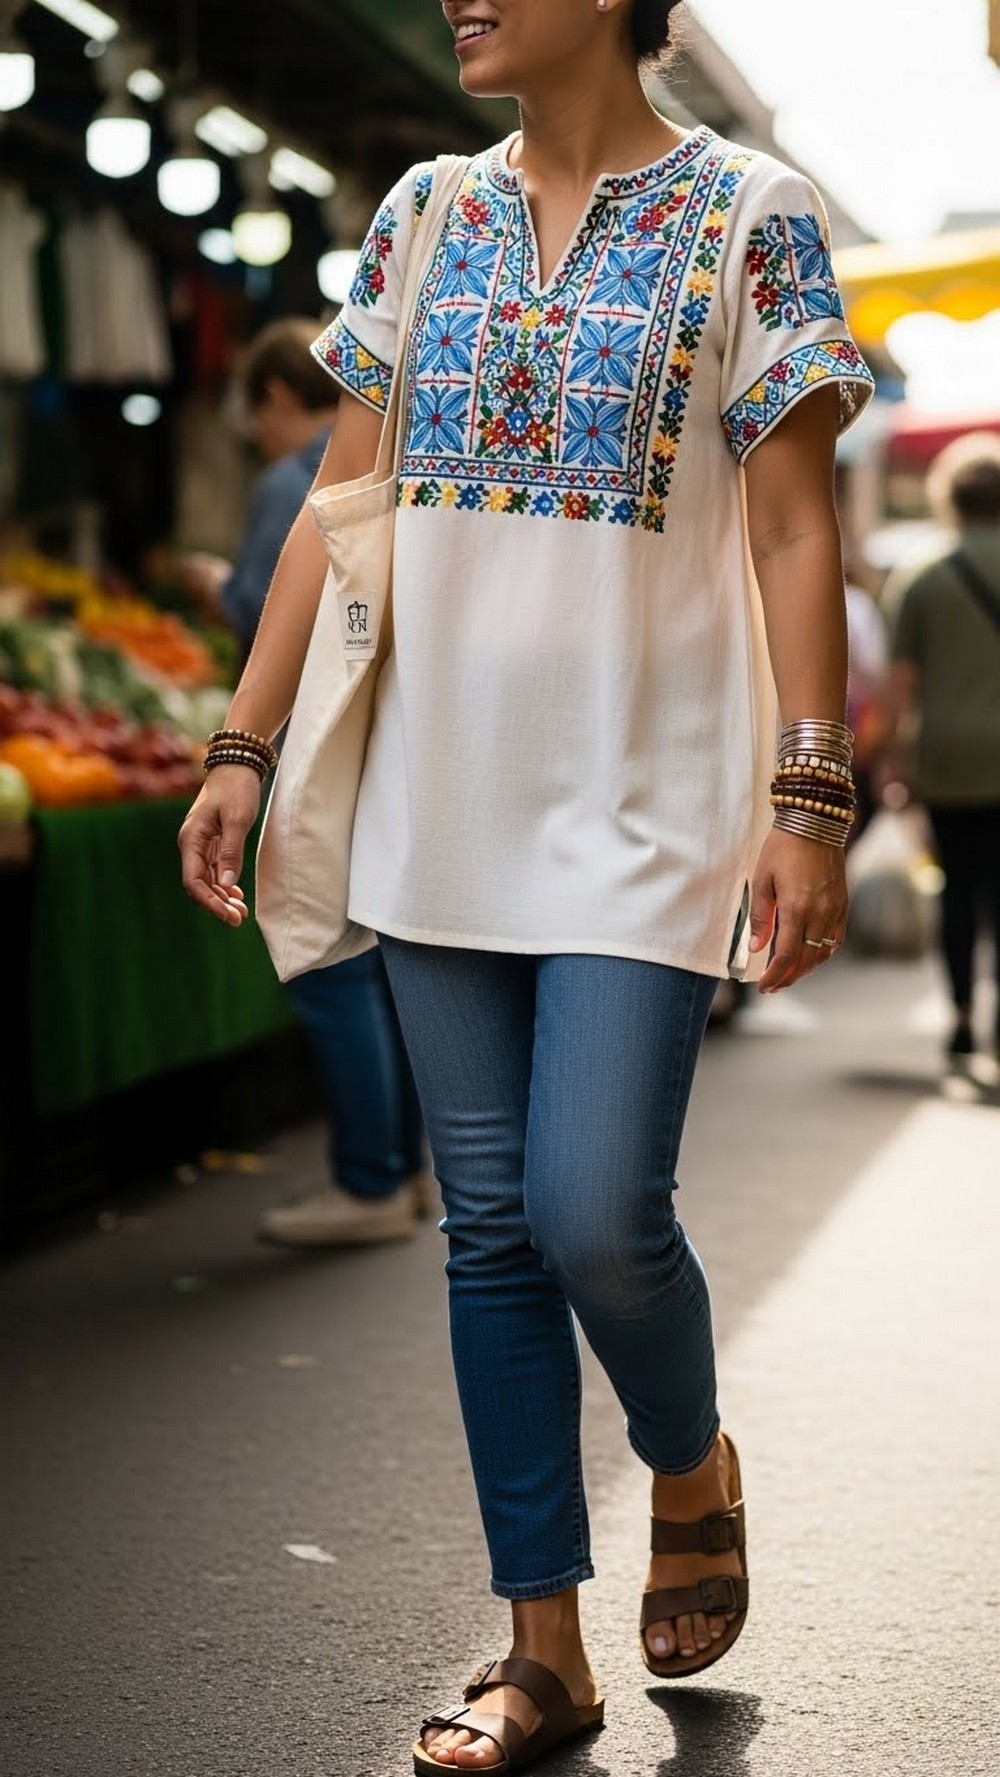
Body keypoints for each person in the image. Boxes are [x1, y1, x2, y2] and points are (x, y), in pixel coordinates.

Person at [180, 1, 874, 1768]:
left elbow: (797, 525)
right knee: (484, 1231)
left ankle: (689, 1450)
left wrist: (811, 787)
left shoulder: (752, 215)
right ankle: (541, 1646)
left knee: (591, 1210)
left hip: (649, 801)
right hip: (436, 793)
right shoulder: (421, 211)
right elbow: (348, 503)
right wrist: (242, 749)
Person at [185, 319, 428, 1247]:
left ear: (283, 397)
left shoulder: (298, 482)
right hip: (392, 741)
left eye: (254, 413)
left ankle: (371, 1177)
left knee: (330, 960)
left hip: (324, 741)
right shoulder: (406, 452)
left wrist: (238, 745)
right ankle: (400, 1172)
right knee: (388, 960)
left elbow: (261, 611)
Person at [886, 432, 1000, 1067]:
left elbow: (900, 686)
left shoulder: (923, 575)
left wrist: (890, 762)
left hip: (948, 758)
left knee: (957, 889)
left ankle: (958, 1015)